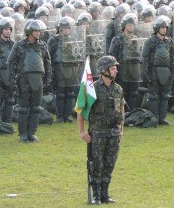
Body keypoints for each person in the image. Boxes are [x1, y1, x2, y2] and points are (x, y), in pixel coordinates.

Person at [77, 55, 124, 205]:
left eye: (116, 68)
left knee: (110, 164)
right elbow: (81, 109)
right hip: (98, 133)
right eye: (113, 68)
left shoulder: (118, 88)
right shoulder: (92, 89)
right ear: (104, 71)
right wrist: (82, 131)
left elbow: (121, 108)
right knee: (97, 164)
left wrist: (121, 129)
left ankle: (105, 193)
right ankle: (96, 194)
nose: (116, 70)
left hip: (114, 133)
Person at [7, 20, 52, 143]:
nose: (38, 33)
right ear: (29, 32)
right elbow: (11, 62)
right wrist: (11, 79)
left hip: (38, 80)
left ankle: (32, 133)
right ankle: (23, 133)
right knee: (23, 108)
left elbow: (47, 62)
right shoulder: (19, 45)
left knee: (36, 108)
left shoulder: (42, 45)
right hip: (23, 80)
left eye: (39, 31)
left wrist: (48, 77)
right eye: (36, 31)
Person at [47, 16, 84, 123]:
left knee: (70, 93)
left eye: (68, 28)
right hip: (59, 69)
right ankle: (59, 116)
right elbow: (49, 56)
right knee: (60, 93)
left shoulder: (72, 40)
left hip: (72, 69)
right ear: (60, 28)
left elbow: (78, 53)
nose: (67, 30)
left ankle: (67, 115)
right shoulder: (54, 40)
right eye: (64, 28)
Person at [142, 16, 174, 125]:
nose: (164, 29)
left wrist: (173, 73)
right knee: (153, 96)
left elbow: (172, 58)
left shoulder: (169, 42)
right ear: (157, 28)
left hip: (166, 71)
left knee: (165, 96)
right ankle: (154, 118)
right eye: (162, 28)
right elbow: (145, 59)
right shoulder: (150, 42)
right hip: (154, 70)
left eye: (165, 28)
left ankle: (162, 118)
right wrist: (145, 74)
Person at [109, 13, 141, 111]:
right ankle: (121, 115)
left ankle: (131, 113)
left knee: (133, 93)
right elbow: (112, 56)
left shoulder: (136, 39)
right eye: (129, 25)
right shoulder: (117, 39)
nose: (131, 27)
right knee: (121, 93)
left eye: (132, 25)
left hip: (134, 69)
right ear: (124, 26)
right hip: (122, 69)